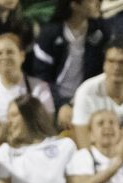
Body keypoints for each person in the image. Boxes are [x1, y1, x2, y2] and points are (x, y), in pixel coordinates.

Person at [70, 37, 123, 158]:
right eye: (111, 61)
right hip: (96, 159)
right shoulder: (86, 91)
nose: (116, 67)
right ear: (104, 65)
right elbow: (83, 143)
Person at [32, 0, 106, 128]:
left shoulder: (100, 31)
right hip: (53, 100)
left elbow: (101, 73)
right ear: (74, 4)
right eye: (92, 1)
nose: (98, 3)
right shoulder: (49, 34)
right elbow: (41, 78)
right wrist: (60, 104)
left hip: (88, 99)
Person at [0, 33, 55, 124]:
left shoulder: (39, 88)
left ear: (22, 56)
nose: (5, 57)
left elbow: (46, 124)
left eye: (10, 52)